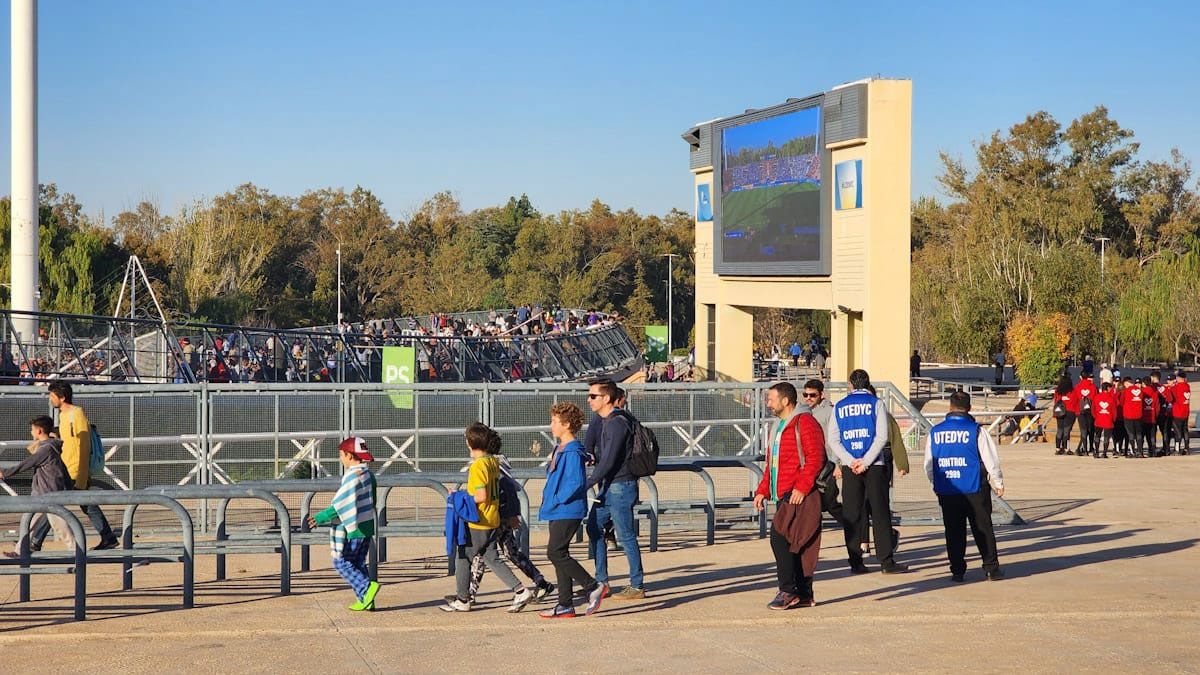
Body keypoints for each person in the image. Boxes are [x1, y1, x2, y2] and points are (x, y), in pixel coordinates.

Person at [825, 369, 907, 574]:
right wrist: (866, 461)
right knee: (880, 512)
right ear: (868, 383)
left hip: (850, 466)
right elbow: (881, 437)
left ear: (850, 385)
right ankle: (886, 561)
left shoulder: (840, 406)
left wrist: (851, 461)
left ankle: (855, 561)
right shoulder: (876, 404)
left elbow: (833, 439)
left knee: (852, 513)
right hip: (875, 465)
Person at [443, 423, 528, 612]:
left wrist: (461, 496)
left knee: (463, 557)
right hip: (492, 519)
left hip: (479, 521)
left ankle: (463, 599)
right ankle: (520, 590)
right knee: (492, 558)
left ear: (470, 443)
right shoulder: (491, 462)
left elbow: (481, 496)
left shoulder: (478, 466)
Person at [754, 382, 825, 609]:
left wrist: (802, 487)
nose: (768, 403)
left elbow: (816, 457)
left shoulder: (804, 422)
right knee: (794, 544)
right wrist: (763, 490)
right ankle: (804, 594)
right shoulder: (780, 425)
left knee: (779, 537)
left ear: (785, 401)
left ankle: (787, 591)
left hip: (796, 493)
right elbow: (772, 463)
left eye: (771, 399)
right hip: (782, 491)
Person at [924, 391, 1005, 582]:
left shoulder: (935, 432)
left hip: (948, 489)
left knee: (953, 531)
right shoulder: (976, 430)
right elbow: (990, 459)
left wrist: (935, 484)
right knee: (983, 528)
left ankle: (957, 570)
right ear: (969, 408)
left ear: (950, 407)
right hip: (974, 487)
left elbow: (929, 464)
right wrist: (998, 481)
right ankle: (991, 568)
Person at [457, 453, 555, 610]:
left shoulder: (498, 475)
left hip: (500, 522)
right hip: (497, 521)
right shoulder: (494, 470)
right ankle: (539, 582)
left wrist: (512, 515)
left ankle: (540, 583)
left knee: (498, 555)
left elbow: (511, 494)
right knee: (495, 555)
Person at [539, 402, 607, 619]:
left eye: (555, 422)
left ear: (566, 424)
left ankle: (592, 586)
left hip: (567, 510)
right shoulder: (559, 449)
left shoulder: (572, 451)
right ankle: (565, 604)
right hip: (556, 509)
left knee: (555, 552)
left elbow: (576, 482)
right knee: (560, 555)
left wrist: (558, 499)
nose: (551, 425)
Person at [585, 378, 646, 600]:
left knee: (626, 535)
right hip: (609, 486)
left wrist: (587, 483)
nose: (589, 400)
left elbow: (610, 460)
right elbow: (597, 451)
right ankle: (602, 581)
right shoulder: (605, 421)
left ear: (607, 398)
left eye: (593, 396)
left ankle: (637, 585)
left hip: (621, 485)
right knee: (594, 527)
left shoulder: (617, 423)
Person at [306, 437, 380, 611]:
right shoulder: (369, 475)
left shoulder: (353, 477)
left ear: (349, 455)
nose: (341, 458)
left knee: (341, 562)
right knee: (358, 563)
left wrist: (319, 517)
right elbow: (372, 500)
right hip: (367, 525)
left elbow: (341, 505)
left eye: (341, 455)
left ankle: (367, 588)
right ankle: (366, 601)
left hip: (352, 529)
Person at [47, 383, 118, 549]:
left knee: (50, 503)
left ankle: (33, 541)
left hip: (74, 469)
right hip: (67, 467)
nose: (50, 399)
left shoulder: (77, 413)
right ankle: (108, 537)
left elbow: (84, 446)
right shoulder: (64, 416)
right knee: (86, 504)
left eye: (52, 396)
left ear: (62, 397)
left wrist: (82, 475)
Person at [0, 416, 72, 556]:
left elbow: (28, 463)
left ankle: (77, 551)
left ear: (39, 430)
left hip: (49, 494)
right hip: (41, 493)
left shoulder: (47, 448)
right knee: (29, 521)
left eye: (32, 429)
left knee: (60, 526)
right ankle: (19, 551)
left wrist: (6, 473)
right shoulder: (48, 446)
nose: (31, 432)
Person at [802, 380, 848, 531]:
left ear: (821, 394)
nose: (808, 398)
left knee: (829, 503)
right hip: (814, 465)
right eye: (805, 395)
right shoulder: (806, 411)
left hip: (827, 466)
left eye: (812, 395)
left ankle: (861, 530)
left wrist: (836, 464)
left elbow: (834, 439)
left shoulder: (829, 412)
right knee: (822, 503)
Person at [1120, 377, 1146, 458]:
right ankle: (1140, 451)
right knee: (1139, 434)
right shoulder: (1140, 391)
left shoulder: (1126, 391)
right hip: (1138, 415)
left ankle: (1132, 451)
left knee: (1131, 434)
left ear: (1127, 383)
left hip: (1128, 415)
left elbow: (1121, 402)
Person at [1072, 373, 1098, 457]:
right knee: (1090, 430)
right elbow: (1096, 399)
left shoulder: (1077, 387)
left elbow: (1074, 400)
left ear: (1080, 377)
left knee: (1083, 430)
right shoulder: (1093, 387)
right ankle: (1091, 447)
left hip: (1080, 412)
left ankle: (1085, 450)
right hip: (1090, 411)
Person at [1051, 375, 1076, 456]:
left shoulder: (1057, 392)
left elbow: (1055, 401)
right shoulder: (1072, 391)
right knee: (1067, 431)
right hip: (1070, 412)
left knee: (1059, 430)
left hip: (1060, 412)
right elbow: (1075, 402)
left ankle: (1058, 448)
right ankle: (1066, 448)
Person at [1150, 371, 1175, 455]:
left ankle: (1153, 449)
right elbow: (1170, 399)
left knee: (1153, 432)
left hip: (1154, 413)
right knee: (1164, 431)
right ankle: (1166, 449)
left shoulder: (1151, 387)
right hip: (1164, 413)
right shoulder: (1163, 387)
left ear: (1153, 378)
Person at [1093, 382, 1117, 458]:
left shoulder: (1096, 397)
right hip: (1108, 420)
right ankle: (1104, 453)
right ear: (1107, 388)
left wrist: (1096, 417)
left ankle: (1096, 452)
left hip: (1098, 419)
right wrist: (1113, 419)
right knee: (1106, 437)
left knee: (1097, 436)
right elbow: (1114, 411)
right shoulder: (1111, 398)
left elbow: (1093, 409)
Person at [1170, 372, 1192, 455]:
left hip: (1178, 412)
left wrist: (1172, 385)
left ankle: (1177, 449)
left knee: (1177, 431)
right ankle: (1187, 448)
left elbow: (1170, 396)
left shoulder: (1177, 387)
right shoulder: (1187, 386)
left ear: (1179, 378)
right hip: (1186, 412)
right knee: (1185, 430)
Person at [1140, 376, 1160, 457]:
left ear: (1143, 383)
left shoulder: (1141, 392)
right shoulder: (1155, 393)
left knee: (1141, 436)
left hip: (1142, 418)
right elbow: (1157, 406)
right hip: (1152, 418)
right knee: (1151, 436)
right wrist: (1155, 415)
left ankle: (1140, 451)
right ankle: (1152, 451)